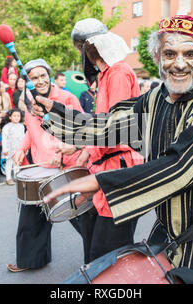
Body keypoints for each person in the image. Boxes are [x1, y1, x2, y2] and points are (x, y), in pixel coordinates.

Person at [38, 15, 193, 284]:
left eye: (189, 53)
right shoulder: (156, 99)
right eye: (170, 53)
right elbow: (111, 125)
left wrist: (101, 181)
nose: (179, 64)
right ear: (157, 57)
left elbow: (179, 169)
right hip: (167, 239)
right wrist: (55, 112)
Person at [60, 17, 144, 264]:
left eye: (81, 49)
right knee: (92, 240)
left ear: (89, 47)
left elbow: (113, 128)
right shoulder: (106, 75)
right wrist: (85, 149)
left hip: (119, 169)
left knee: (107, 254)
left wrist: (79, 145)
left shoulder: (118, 72)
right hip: (106, 166)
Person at [7, 58, 86, 273]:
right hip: (41, 167)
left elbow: (82, 130)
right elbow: (30, 131)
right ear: (28, 80)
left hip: (66, 166)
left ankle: (100, 258)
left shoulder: (67, 97)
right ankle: (30, 260)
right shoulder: (28, 100)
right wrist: (21, 148)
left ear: (49, 76)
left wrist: (63, 151)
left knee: (81, 215)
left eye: (43, 75)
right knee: (32, 216)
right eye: (34, 77)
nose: (40, 80)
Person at [2, 108, 25, 185]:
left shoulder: (21, 126)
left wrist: (23, 148)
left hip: (18, 148)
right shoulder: (7, 127)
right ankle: (8, 178)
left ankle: (16, 176)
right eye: (14, 116)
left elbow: (23, 137)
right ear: (10, 117)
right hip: (10, 149)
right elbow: (4, 138)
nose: (16, 117)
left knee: (17, 163)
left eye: (18, 116)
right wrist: (5, 149)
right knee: (9, 163)